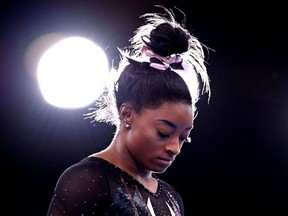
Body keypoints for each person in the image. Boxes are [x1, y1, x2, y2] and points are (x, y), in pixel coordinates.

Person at [47, 5, 211, 216]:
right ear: (127, 114)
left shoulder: (171, 198)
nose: (175, 148)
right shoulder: (89, 180)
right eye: (163, 133)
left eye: (183, 138)